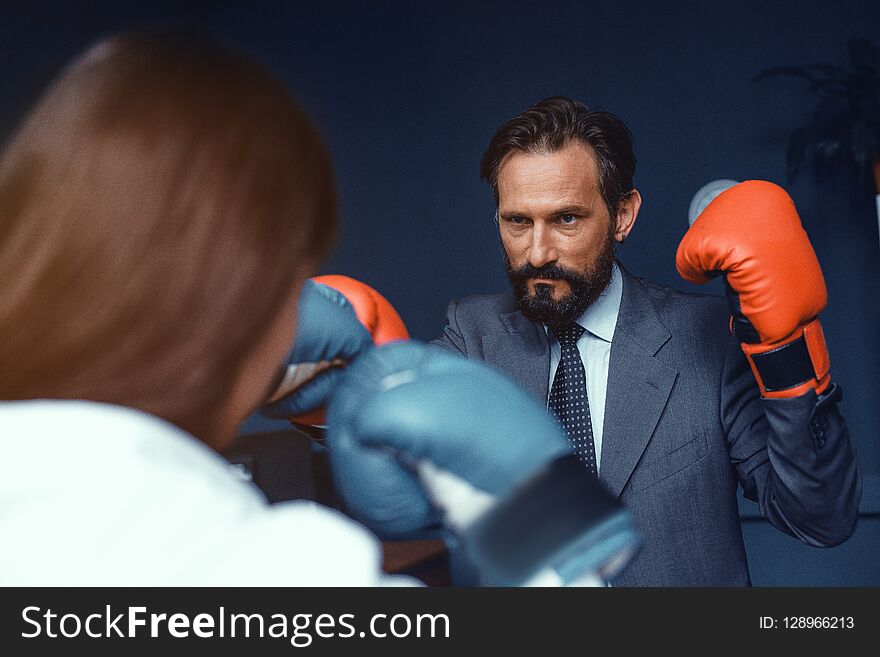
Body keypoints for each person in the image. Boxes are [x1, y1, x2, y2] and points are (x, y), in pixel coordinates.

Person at [0, 36, 638, 586]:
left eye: (567, 219)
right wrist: (549, 531)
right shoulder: (280, 572)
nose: (538, 248)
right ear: (252, 283)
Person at [432, 96, 862, 586]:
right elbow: (386, 438)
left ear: (622, 216)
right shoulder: (474, 336)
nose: (537, 252)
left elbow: (821, 518)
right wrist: (329, 391)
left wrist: (788, 353)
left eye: (567, 219)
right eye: (518, 222)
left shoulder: (704, 340)